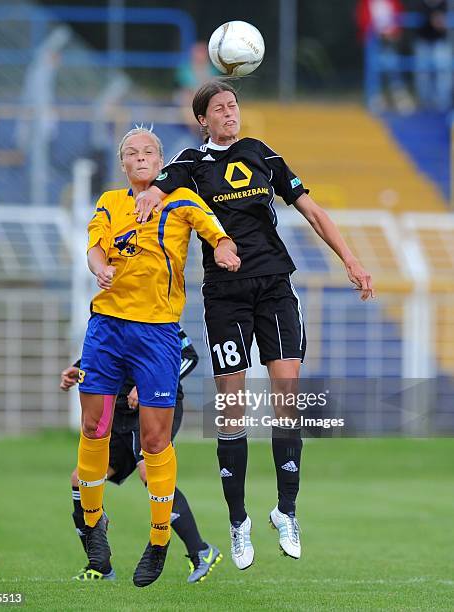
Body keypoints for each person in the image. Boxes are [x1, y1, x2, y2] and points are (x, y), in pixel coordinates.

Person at [134, 79, 375, 571]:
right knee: (232, 408)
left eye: (234, 105)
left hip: (274, 285)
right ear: (202, 119)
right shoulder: (190, 163)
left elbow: (311, 209)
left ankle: (286, 510)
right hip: (224, 295)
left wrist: (350, 258)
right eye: (219, 108)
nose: (230, 113)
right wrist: (147, 199)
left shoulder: (262, 153)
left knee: (287, 398)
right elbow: (154, 191)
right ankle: (238, 521)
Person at [76, 125, 239, 588]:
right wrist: (100, 266)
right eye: (132, 152)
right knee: (93, 427)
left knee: (154, 441)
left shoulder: (182, 199)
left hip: (157, 333)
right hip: (106, 327)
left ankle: (161, 538)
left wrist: (226, 249)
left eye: (149, 151)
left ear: (161, 161)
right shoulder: (111, 201)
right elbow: (93, 246)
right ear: (123, 164)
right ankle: (93, 530)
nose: (140, 156)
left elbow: (217, 234)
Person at [62, 328, 222, 583]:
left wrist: (148, 385)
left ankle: (200, 550)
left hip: (154, 406)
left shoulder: (157, 311)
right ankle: (100, 565)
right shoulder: (115, 313)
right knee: (79, 479)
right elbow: (112, 354)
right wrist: (79, 367)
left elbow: (189, 356)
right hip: (120, 412)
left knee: (148, 470)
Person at [414, 0, 451, 111]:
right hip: (423, 41)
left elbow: (441, 22)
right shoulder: (420, 4)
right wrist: (432, 17)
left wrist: (437, 19)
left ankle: (442, 102)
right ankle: (426, 102)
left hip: (440, 41)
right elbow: (426, 18)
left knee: (443, 71)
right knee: (423, 72)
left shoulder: (445, 4)